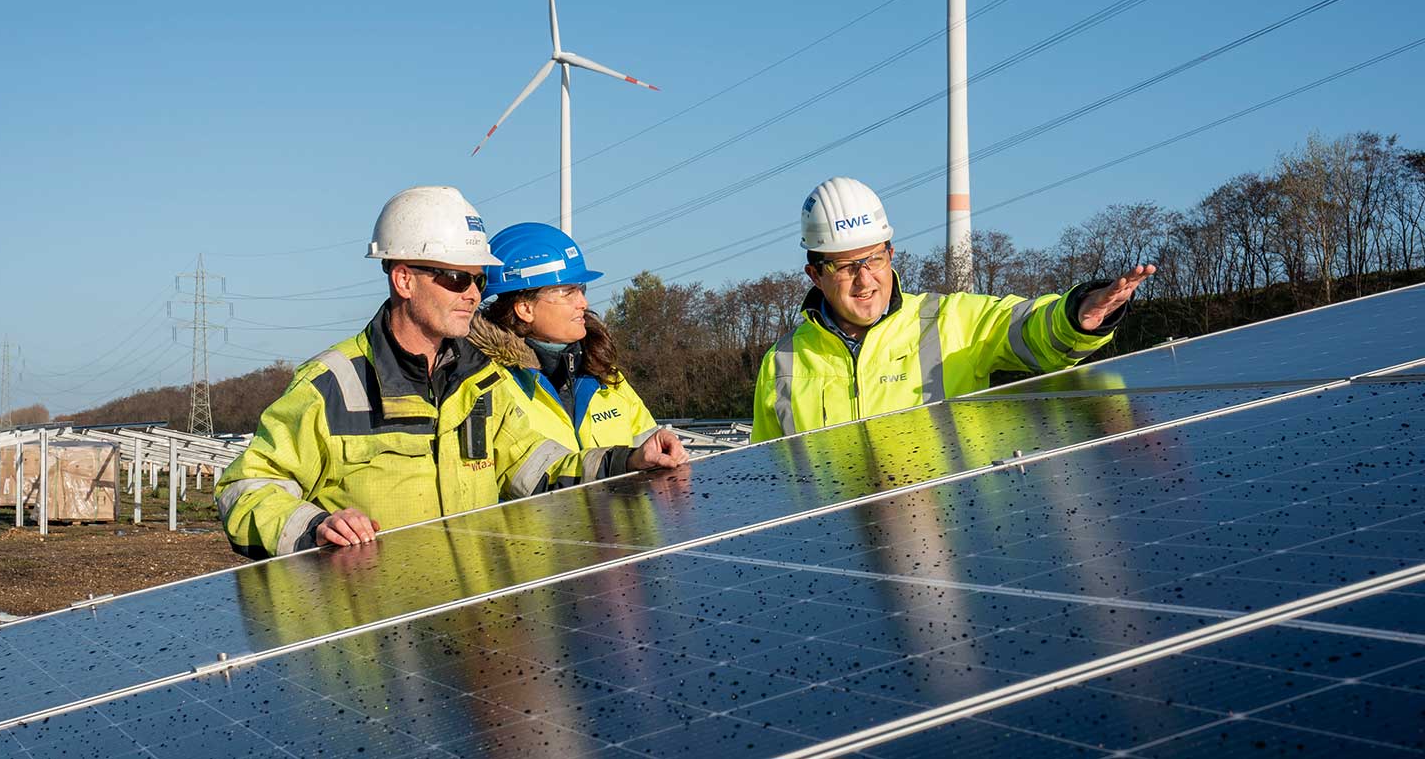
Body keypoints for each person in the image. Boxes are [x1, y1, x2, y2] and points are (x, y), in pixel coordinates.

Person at [216, 186, 688, 558]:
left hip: (472, 636)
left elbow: (539, 468)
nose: (472, 293)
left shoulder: (481, 380)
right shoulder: (332, 385)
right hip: (380, 648)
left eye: (479, 279)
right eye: (457, 277)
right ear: (404, 279)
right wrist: (314, 526)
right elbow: (246, 487)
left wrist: (628, 461)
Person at [751, 176, 1155, 443]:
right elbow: (765, 479)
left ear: (891, 254)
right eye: (844, 266)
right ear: (814, 274)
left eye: (874, 259)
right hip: (833, 556)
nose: (865, 279)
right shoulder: (782, 363)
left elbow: (1027, 326)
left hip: (947, 545)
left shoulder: (948, 321)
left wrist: (1076, 315)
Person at [469, 222, 660, 456]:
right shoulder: (492, 385)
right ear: (525, 309)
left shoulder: (604, 375)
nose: (583, 303)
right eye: (568, 292)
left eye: (581, 289)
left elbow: (654, 455)